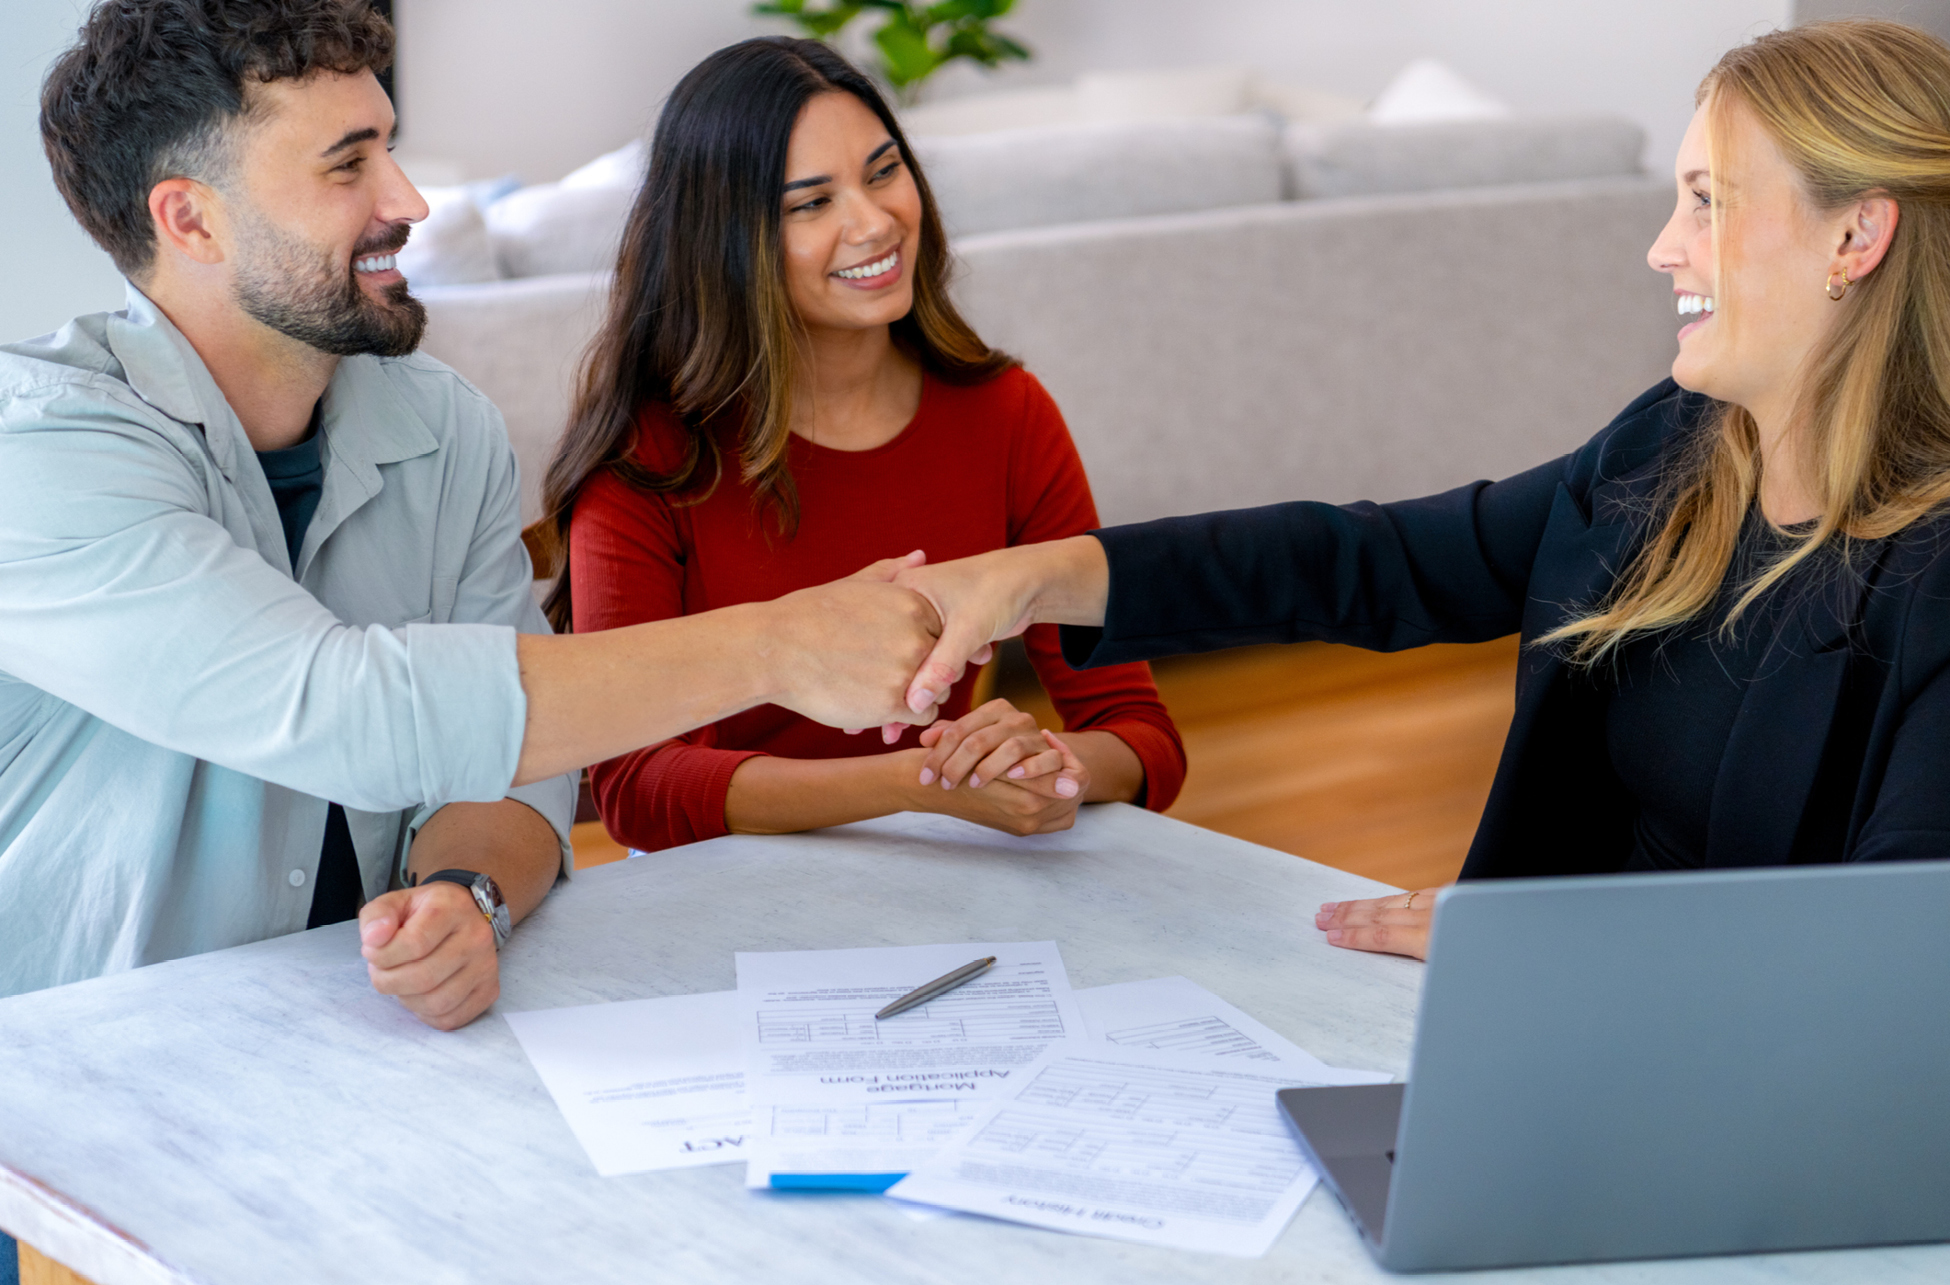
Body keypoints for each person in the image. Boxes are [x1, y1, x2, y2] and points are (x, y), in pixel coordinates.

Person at [887, 19, 1950, 960]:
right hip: (1531, 1035)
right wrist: (1043, 578)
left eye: (1707, 203)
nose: (1662, 246)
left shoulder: (1933, 581)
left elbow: (1893, 966)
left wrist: (1552, 950)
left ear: (1856, 236)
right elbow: (1380, 558)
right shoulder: (1673, 451)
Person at [0, 0, 949, 1023]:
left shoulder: (444, 427)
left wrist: (468, 890)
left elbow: (512, 768)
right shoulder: (41, 451)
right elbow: (340, 708)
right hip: (69, 1070)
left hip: (347, 1041)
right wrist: (780, 646)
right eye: (347, 165)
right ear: (191, 219)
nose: (406, 198)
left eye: (391, 149)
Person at [537, 37, 1185, 851]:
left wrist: (1045, 764)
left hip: (948, 875)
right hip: (726, 897)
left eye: (883, 172)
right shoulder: (648, 456)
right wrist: (920, 786)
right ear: (725, 243)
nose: (875, 223)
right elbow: (633, 788)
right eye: (810, 204)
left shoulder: (1007, 414)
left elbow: (1137, 732)